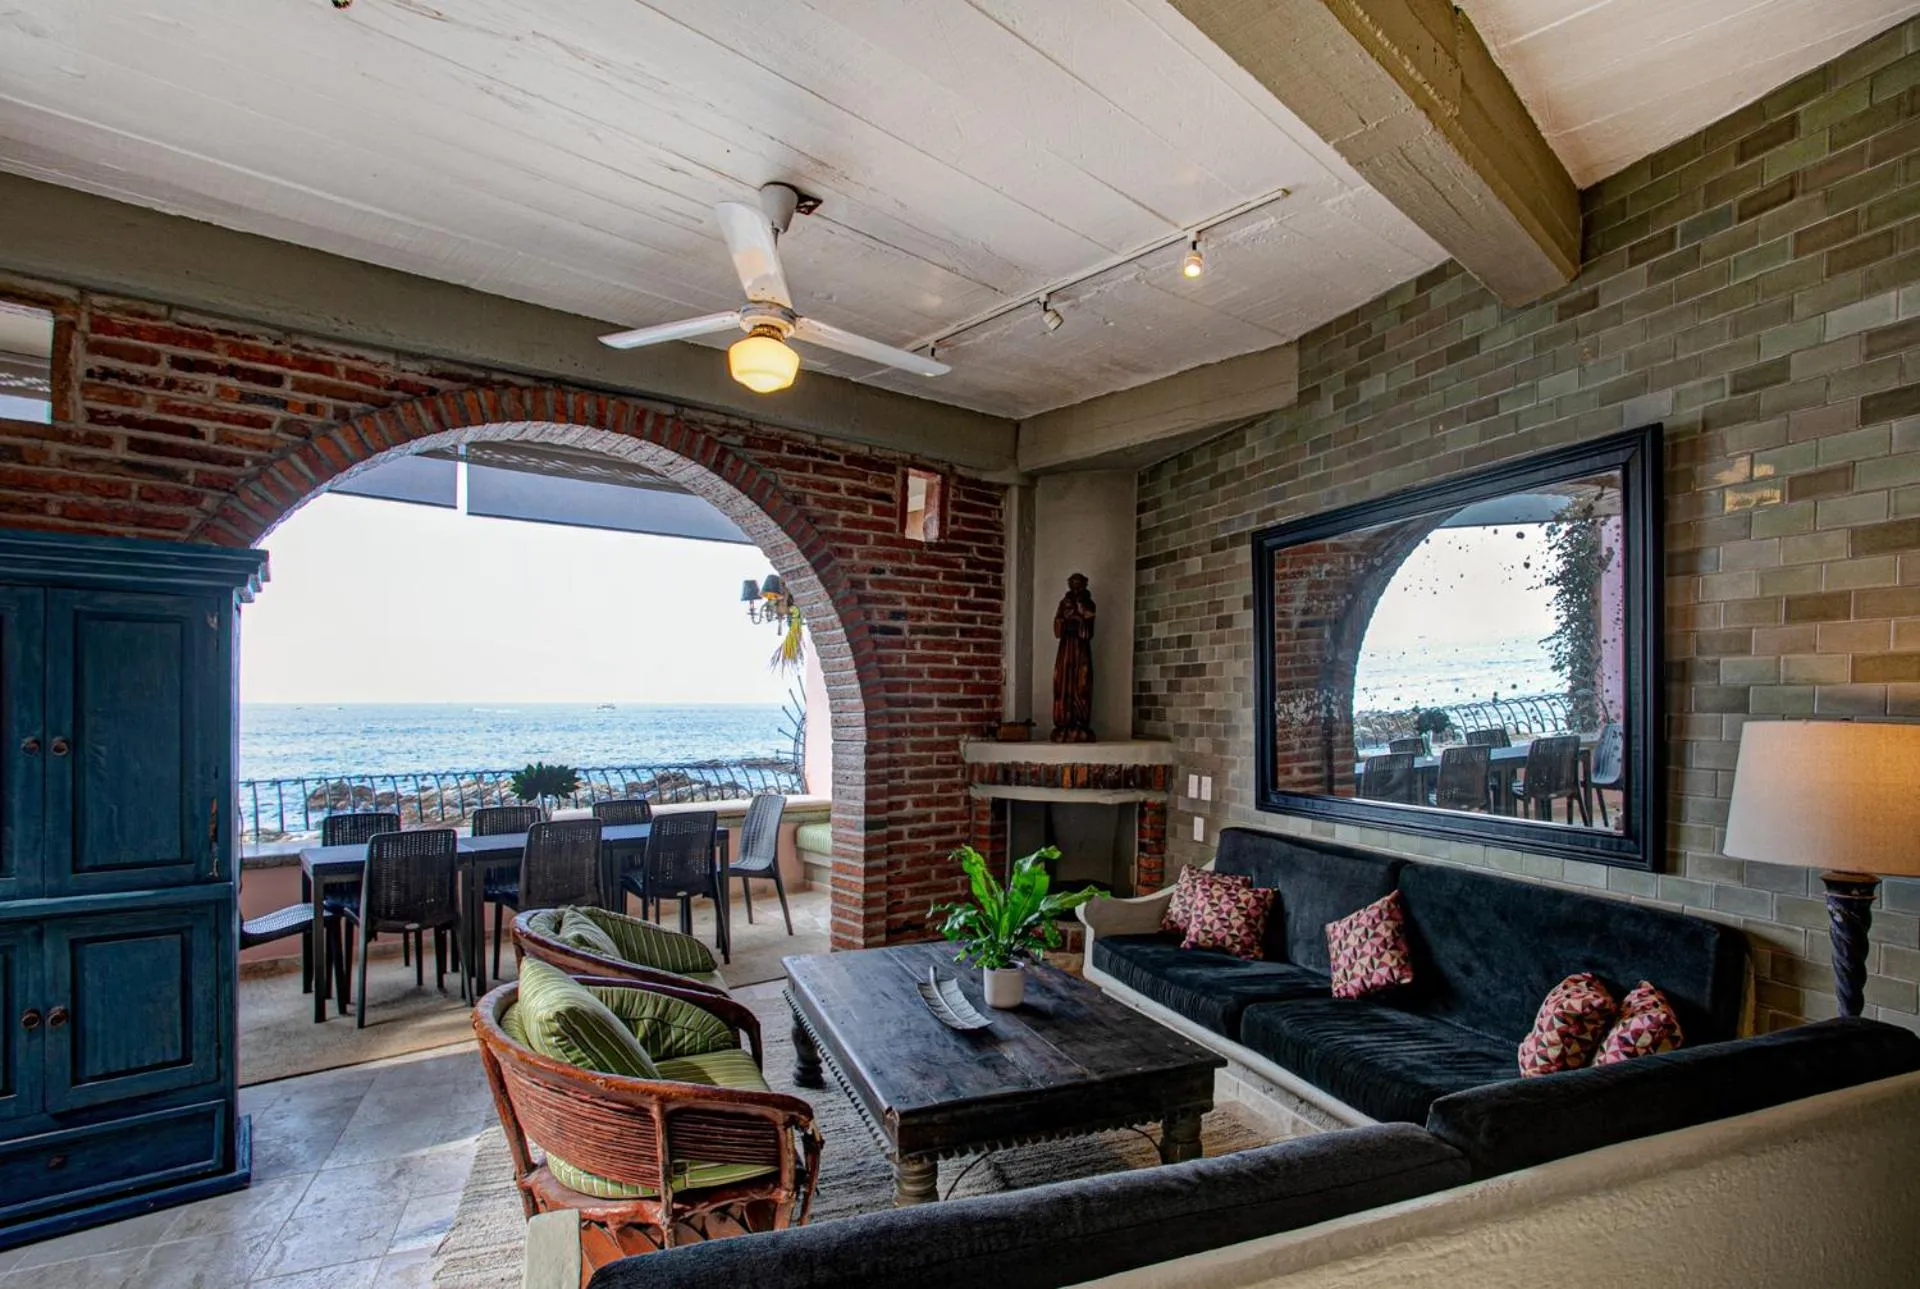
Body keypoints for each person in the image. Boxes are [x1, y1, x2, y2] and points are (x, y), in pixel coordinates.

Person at [1051, 573, 1095, 743]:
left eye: (1079, 585)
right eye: (1073, 585)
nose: (1076, 588)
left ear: (1084, 585)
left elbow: (1088, 630)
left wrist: (1079, 615)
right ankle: (1063, 722)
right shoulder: (1064, 603)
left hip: (1080, 649)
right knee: (1063, 682)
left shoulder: (1088, 604)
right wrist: (1064, 619)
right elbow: (1057, 627)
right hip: (1066, 648)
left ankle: (1080, 722)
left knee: (1081, 682)